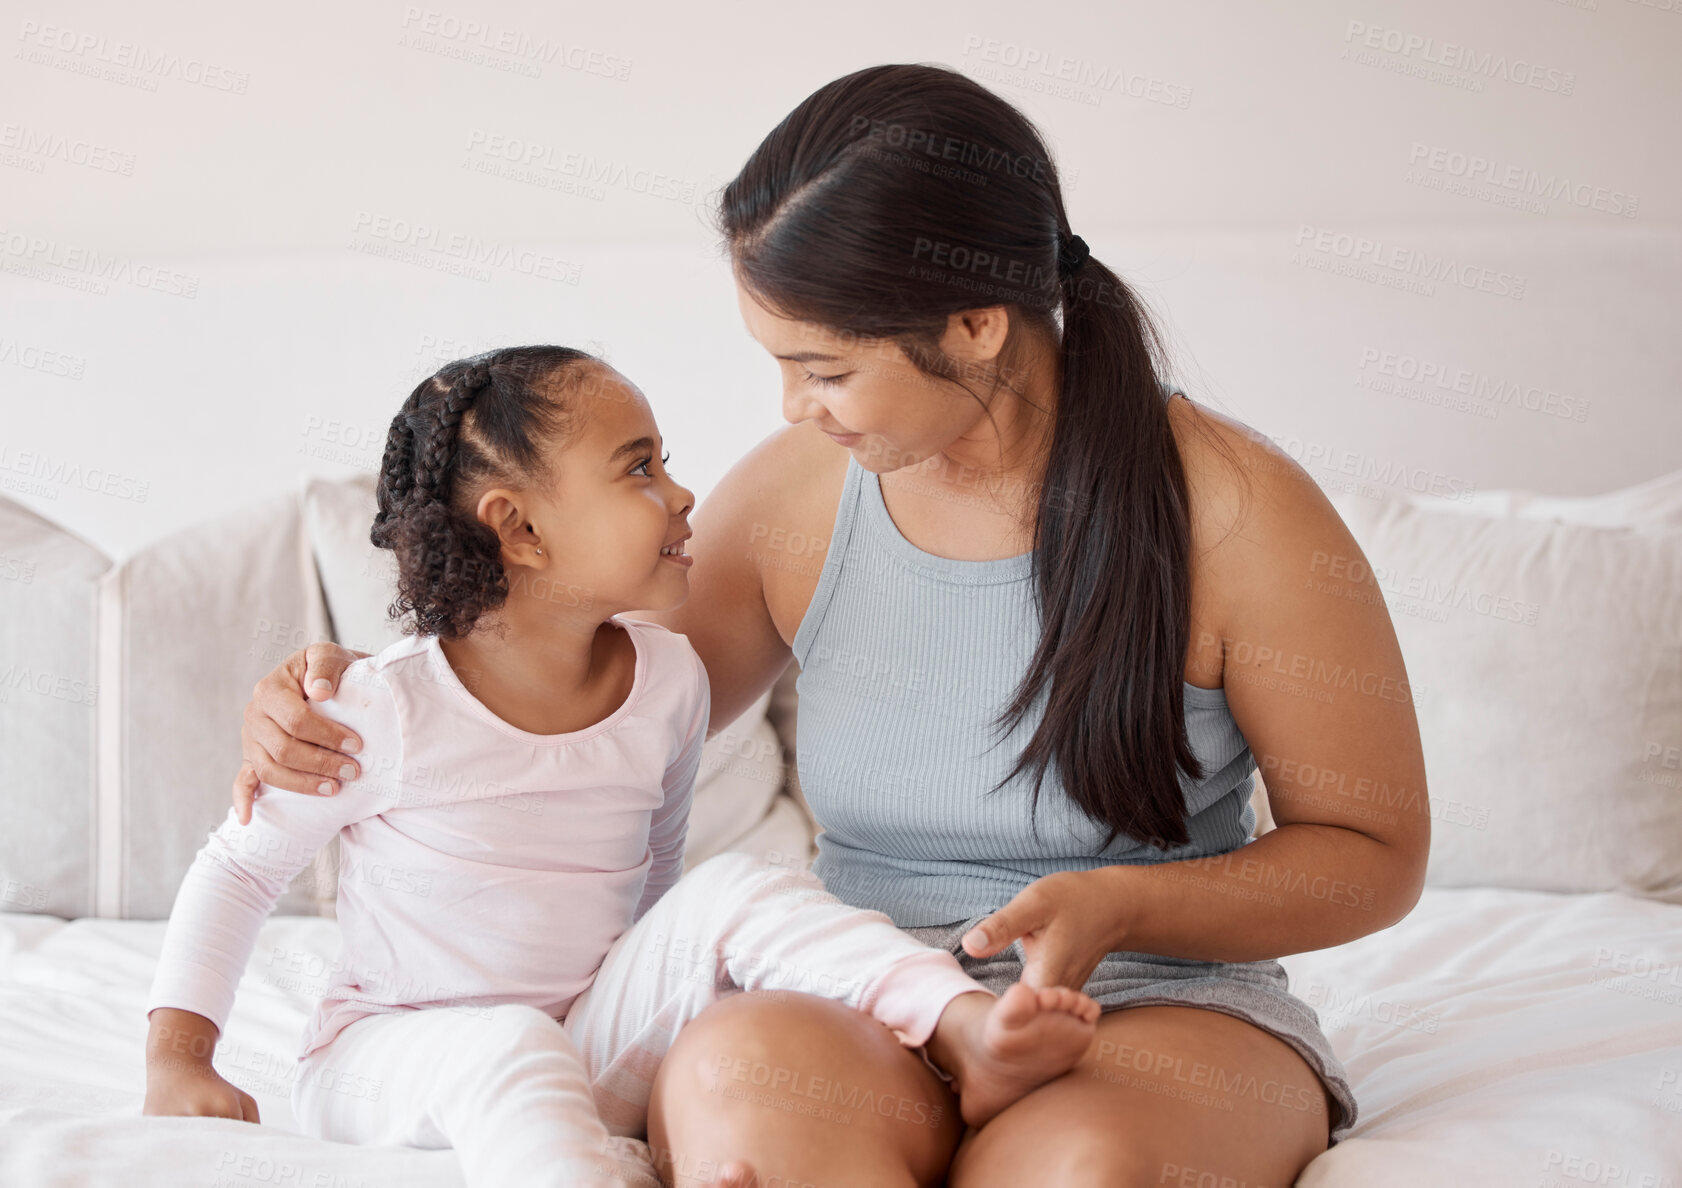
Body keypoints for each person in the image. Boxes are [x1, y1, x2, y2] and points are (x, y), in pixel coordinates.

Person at [232, 65, 1430, 1187]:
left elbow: (1372, 853)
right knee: (735, 1098)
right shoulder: (802, 495)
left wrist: (1123, 903)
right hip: (874, 991)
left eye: (825, 369)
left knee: (1075, 1168)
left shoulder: (1235, 508)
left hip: (1161, 1002)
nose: (794, 407)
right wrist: (344, 695)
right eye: (780, 363)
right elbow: (557, 683)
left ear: (974, 324)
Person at [142, 345, 1103, 1188]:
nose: (684, 495)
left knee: (735, 887)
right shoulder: (382, 707)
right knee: (510, 1049)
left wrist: (674, 1000)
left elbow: (657, 874)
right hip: (384, 1055)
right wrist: (181, 1061)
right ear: (518, 528)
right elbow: (238, 869)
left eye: (666, 461)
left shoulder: (670, 681)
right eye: (639, 469)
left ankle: (959, 1026)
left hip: (583, 1032)